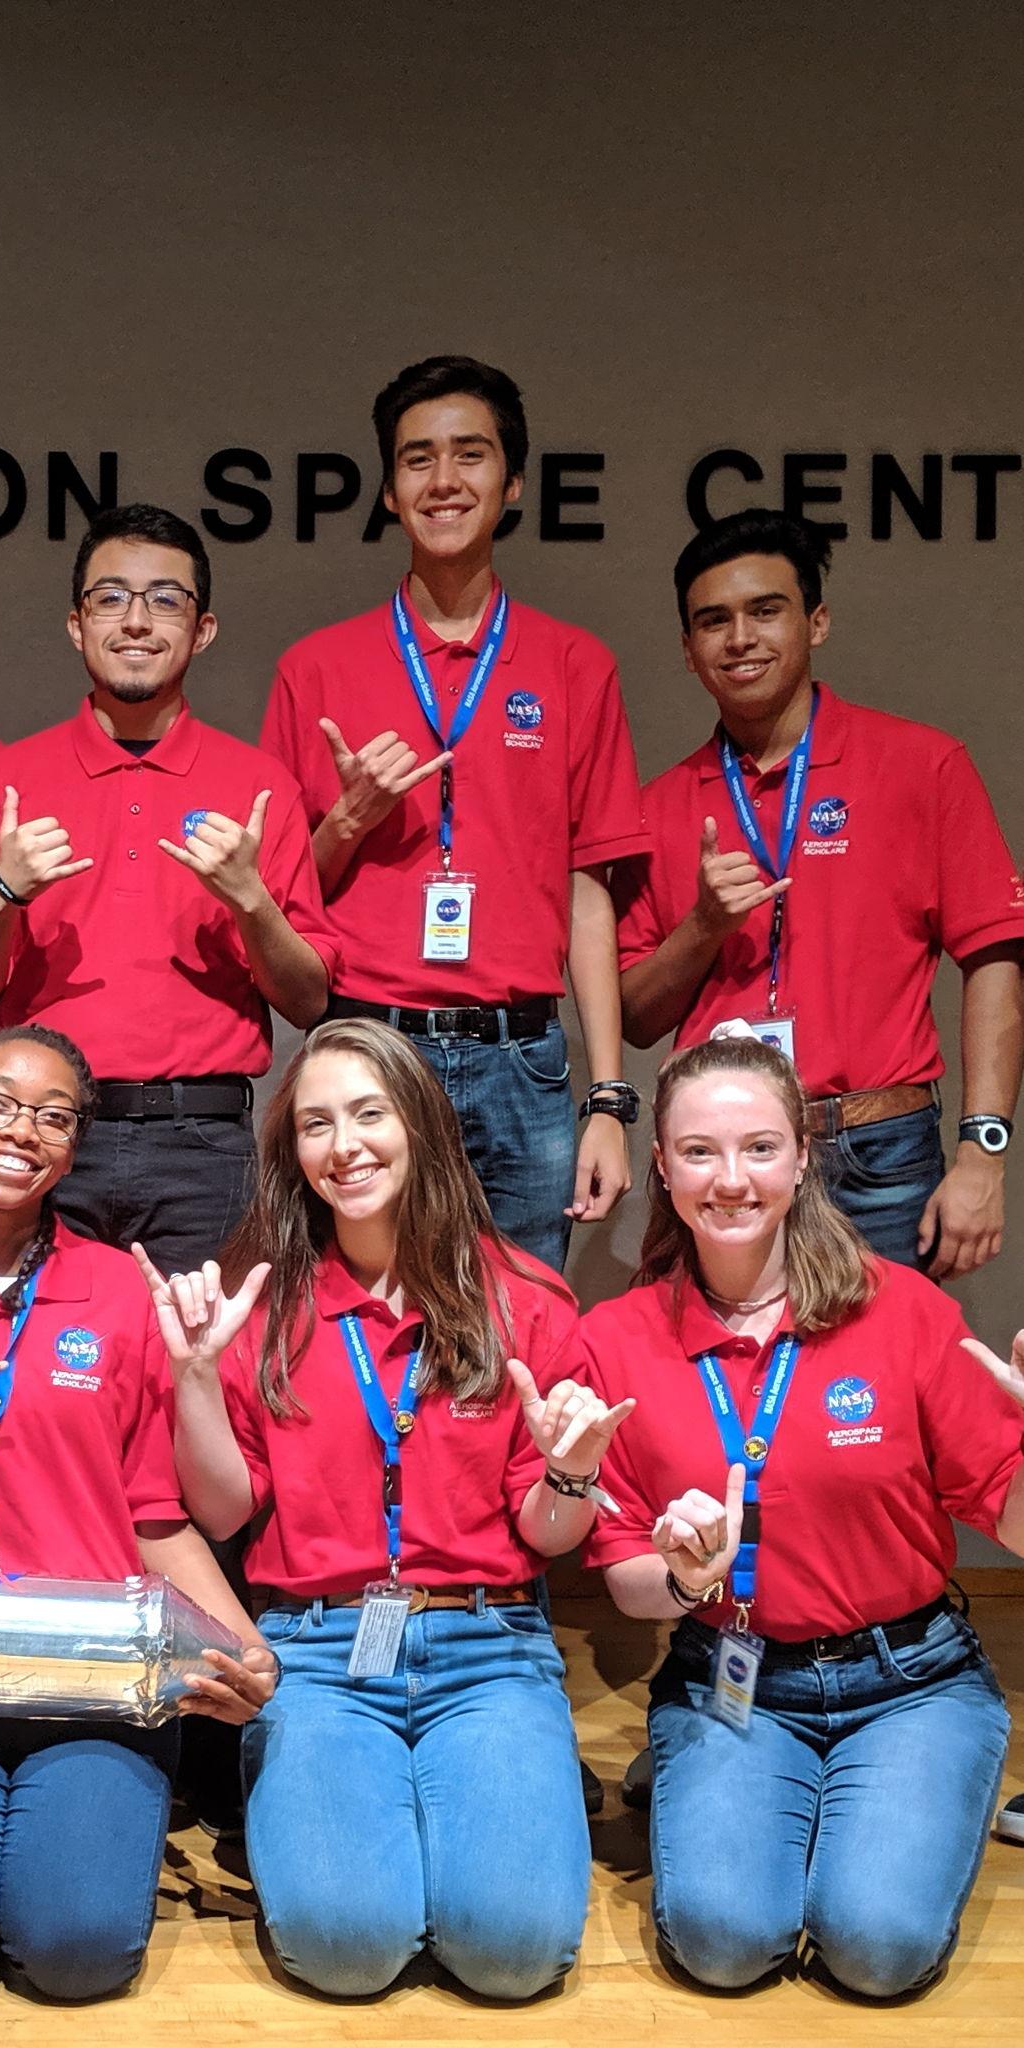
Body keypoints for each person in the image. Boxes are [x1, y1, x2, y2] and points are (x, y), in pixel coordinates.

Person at [159, 1018, 624, 1998]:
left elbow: (546, 1533)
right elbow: (224, 1509)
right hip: (318, 1651)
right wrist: (195, 1375)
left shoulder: (525, 1299)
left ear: (419, 1124)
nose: (345, 1146)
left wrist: (569, 1473)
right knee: (346, 1952)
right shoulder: (263, 1302)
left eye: (369, 1114)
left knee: (511, 1957)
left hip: (489, 1646)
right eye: (315, 1123)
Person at [0, 1023, 276, 2001]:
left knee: (77, 1955)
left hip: (95, 1679)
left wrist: (240, 1639)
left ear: (73, 1147)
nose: (19, 1130)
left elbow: (155, 1514)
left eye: (51, 1115)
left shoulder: (119, 1291)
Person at [577, 1033, 1021, 1996]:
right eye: (699, 1151)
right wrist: (686, 1577)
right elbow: (627, 1585)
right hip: (731, 1675)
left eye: (759, 1148)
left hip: (908, 1678)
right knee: (723, 1945)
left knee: (876, 1950)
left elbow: (1012, 1521)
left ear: (803, 1157)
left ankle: (892, 1786)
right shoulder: (612, 1339)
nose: (731, 1179)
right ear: (662, 1166)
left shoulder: (902, 1311)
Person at [261, 356, 649, 1273]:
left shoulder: (573, 665)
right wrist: (347, 820)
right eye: (417, 459)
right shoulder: (316, 667)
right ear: (388, 492)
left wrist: (607, 1097)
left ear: (511, 483)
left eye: (469, 455)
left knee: (523, 1319)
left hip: (523, 1060)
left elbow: (587, 890)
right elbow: (276, 901)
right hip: (370, 1050)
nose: (443, 480)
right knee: (367, 1311)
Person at [0, 502, 333, 1277]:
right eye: (110, 597)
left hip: (202, 1145)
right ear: (76, 625)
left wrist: (251, 901)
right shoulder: (9, 782)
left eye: (164, 599)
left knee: (205, 1351)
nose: (136, 620)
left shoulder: (257, 786)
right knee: (32, 1349)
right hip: (42, 1136)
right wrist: (0, 895)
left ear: (201, 630)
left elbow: (308, 1002)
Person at [615, 508, 1024, 1278]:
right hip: (721, 1157)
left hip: (878, 1150)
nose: (740, 638)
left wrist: (982, 1152)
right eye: (713, 621)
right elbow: (635, 1017)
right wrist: (702, 926)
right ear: (687, 650)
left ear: (816, 622)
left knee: (882, 1362)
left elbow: (994, 958)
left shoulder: (921, 765)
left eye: (765, 611)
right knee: (717, 1360)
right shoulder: (656, 807)